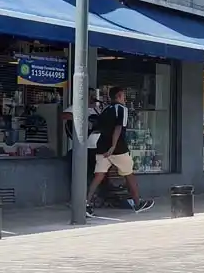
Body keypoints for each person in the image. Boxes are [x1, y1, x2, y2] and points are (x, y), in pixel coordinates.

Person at [85, 87, 154, 217]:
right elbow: (118, 127)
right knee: (129, 174)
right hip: (117, 149)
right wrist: (113, 146)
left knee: (98, 176)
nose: (125, 99)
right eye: (123, 96)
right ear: (118, 97)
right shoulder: (122, 109)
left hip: (101, 147)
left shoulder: (105, 110)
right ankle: (138, 203)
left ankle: (86, 203)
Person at [62, 88, 103, 188]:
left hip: (95, 148)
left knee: (94, 174)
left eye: (94, 95)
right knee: (81, 175)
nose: (93, 97)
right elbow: (64, 115)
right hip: (82, 148)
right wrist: (82, 120)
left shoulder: (97, 110)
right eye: (91, 95)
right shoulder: (77, 107)